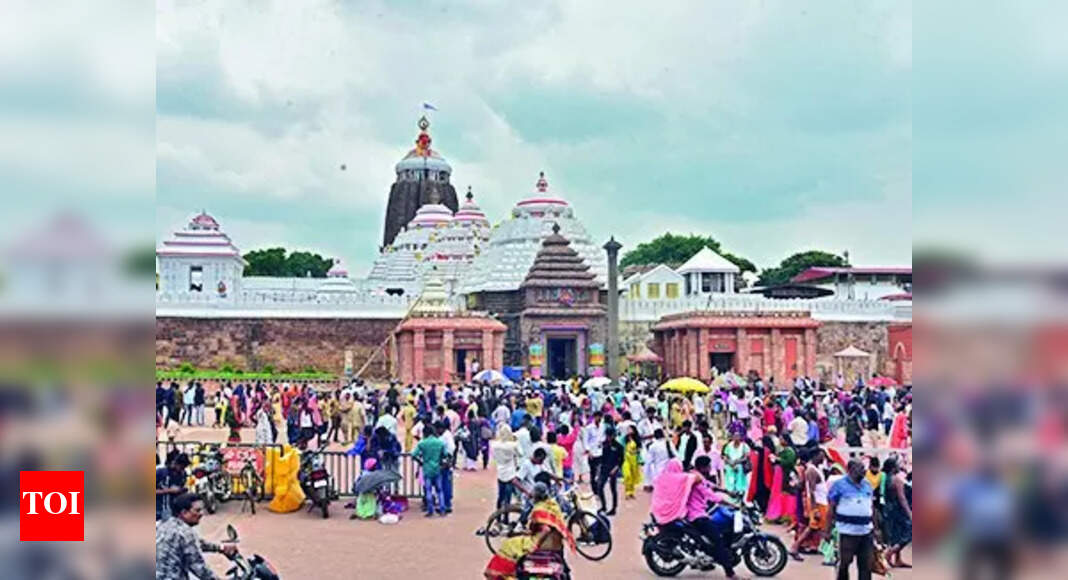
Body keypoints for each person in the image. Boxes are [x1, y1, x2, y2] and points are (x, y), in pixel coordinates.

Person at [483, 482, 575, 580]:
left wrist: (534, 543)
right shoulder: (553, 506)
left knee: (509, 544)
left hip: (542, 543)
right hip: (556, 545)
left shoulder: (539, 509)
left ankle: (505, 574)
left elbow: (545, 529)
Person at [155, 493, 237, 580]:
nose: (201, 514)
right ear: (184, 513)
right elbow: (200, 568)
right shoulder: (185, 532)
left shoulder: (161, 524)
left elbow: (193, 543)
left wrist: (221, 548)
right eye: (197, 510)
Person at [687, 455, 745, 579]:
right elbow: (712, 496)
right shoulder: (696, 480)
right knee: (718, 540)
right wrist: (732, 504)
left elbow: (711, 486)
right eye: (708, 466)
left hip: (700, 512)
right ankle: (730, 573)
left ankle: (708, 560)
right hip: (697, 515)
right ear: (702, 467)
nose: (709, 469)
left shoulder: (698, 476)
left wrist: (727, 492)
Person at [824, 459, 875, 580]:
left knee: (866, 565)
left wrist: (876, 529)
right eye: (860, 468)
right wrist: (827, 530)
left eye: (864, 468)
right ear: (850, 469)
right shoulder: (839, 485)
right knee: (844, 563)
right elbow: (831, 509)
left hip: (866, 531)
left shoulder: (867, 485)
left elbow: (871, 507)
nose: (864, 471)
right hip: (846, 532)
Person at [790, 447, 829, 560]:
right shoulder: (811, 470)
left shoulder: (817, 469)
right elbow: (811, 491)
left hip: (821, 501)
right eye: (821, 455)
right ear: (815, 456)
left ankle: (797, 547)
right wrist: (815, 509)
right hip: (818, 502)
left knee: (816, 528)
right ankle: (795, 547)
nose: (823, 458)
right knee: (815, 527)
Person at [880, 456, 912, 568]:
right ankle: (889, 553)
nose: (899, 466)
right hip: (898, 509)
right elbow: (902, 498)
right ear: (893, 468)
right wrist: (910, 513)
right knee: (909, 533)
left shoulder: (885, 478)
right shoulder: (897, 480)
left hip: (889, 509)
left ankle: (898, 559)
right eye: (897, 464)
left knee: (896, 534)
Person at [412, 423, 447, 517]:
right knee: (440, 490)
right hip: (437, 468)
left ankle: (430, 510)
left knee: (428, 490)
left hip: (426, 468)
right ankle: (442, 509)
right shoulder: (440, 442)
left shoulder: (422, 443)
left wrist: (420, 462)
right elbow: (446, 454)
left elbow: (413, 455)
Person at [491, 424, 521, 509]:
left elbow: (494, 457)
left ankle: (498, 516)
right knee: (508, 496)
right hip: (510, 472)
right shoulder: (513, 445)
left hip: (500, 471)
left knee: (500, 495)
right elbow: (520, 454)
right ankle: (506, 517)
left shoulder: (495, 445)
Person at [595, 426, 624, 516]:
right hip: (604, 468)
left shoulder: (619, 446)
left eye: (610, 436)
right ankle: (603, 506)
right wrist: (599, 468)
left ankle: (614, 508)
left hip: (613, 469)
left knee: (613, 489)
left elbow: (621, 460)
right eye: (608, 435)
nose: (609, 437)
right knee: (600, 487)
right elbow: (602, 457)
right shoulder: (604, 444)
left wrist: (615, 469)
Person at [156, 452, 189, 521]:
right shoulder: (160, 472)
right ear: (175, 463)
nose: (183, 469)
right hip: (158, 510)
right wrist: (169, 490)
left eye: (185, 466)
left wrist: (182, 491)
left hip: (173, 512)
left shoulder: (183, 475)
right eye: (181, 466)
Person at [722, 427, 750, 496]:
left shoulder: (744, 446)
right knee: (730, 480)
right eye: (735, 436)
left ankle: (740, 491)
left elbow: (746, 457)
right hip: (730, 465)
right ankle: (730, 492)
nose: (736, 437)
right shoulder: (729, 445)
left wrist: (737, 461)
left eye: (738, 436)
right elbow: (725, 456)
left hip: (740, 466)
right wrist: (730, 462)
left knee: (740, 479)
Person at [622, 426, 643, 499]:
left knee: (633, 475)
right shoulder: (624, 438)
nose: (629, 430)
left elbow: (640, 448)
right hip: (626, 458)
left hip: (634, 459)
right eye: (628, 429)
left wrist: (635, 451)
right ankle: (627, 492)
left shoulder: (637, 439)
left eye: (630, 429)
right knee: (627, 475)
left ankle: (631, 492)